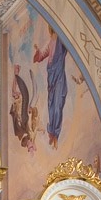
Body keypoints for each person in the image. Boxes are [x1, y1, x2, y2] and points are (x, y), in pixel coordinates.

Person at [33, 21, 68, 149]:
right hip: (51, 75)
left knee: (58, 103)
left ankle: (56, 134)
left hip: (58, 76)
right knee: (51, 104)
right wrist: (38, 51)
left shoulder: (61, 39)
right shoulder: (51, 42)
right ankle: (52, 132)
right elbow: (42, 56)